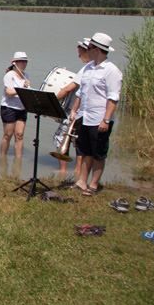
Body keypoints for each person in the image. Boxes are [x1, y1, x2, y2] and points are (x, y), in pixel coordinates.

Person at [70, 32, 122, 196]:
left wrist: (106, 120)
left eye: (90, 47)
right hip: (85, 116)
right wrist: (74, 109)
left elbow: (113, 98)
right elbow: (81, 92)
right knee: (85, 151)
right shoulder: (88, 67)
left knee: (98, 153)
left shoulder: (111, 71)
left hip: (100, 118)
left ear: (97, 49)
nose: (87, 50)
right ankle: (82, 181)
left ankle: (93, 184)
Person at [51, 38, 92, 174]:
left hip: (75, 112)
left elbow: (68, 88)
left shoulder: (86, 69)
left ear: (86, 51)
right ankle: (78, 173)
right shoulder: (94, 67)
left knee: (62, 139)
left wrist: (52, 100)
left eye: (80, 52)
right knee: (79, 143)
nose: (78, 55)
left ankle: (63, 172)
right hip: (87, 112)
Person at [0, 52, 30, 158]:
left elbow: (26, 92)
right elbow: (9, 92)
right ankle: (3, 157)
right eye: (21, 61)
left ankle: (18, 160)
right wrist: (22, 89)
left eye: (25, 61)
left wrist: (27, 89)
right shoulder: (9, 75)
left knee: (19, 135)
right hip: (9, 107)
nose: (24, 63)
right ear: (15, 62)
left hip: (21, 108)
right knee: (8, 135)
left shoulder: (26, 76)